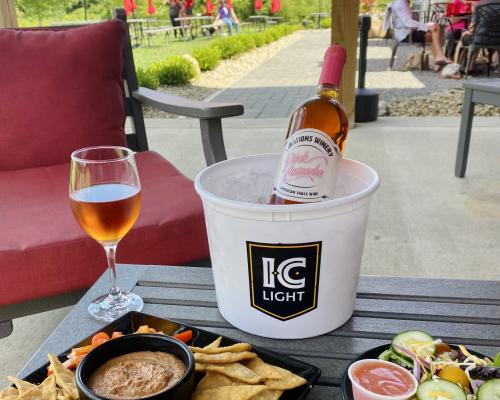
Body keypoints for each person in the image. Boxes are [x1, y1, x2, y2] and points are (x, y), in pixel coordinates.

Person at [384, 0, 451, 68]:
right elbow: (407, 22)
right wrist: (426, 27)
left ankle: (438, 60)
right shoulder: (401, 3)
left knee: (435, 30)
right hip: (406, 35)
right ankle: (439, 57)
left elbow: (407, 22)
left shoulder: (402, 2)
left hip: (405, 32)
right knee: (435, 30)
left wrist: (426, 26)